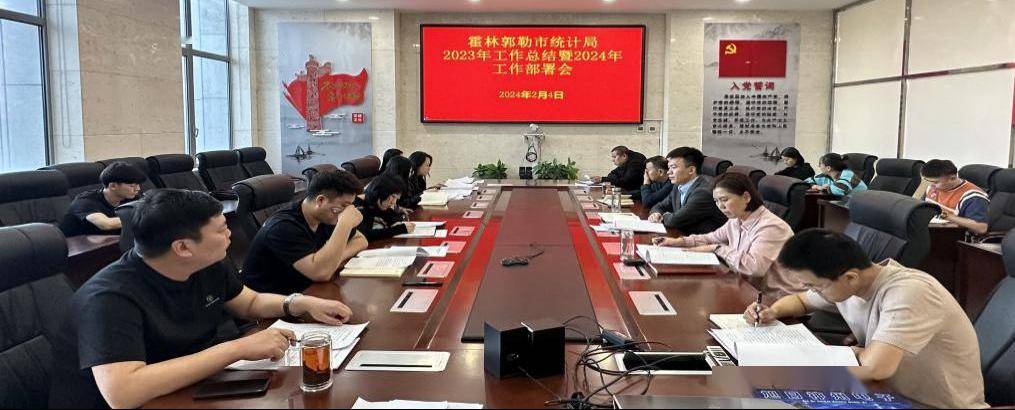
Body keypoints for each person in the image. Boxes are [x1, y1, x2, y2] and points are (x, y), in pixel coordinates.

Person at [48, 189, 354, 409]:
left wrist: (298, 303)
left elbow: (248, 303)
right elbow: (122, 393)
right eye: (221, 230)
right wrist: (237, 349)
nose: (230, 235)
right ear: (182, 247)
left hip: (187, 390)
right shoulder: (109, 297)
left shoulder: (206, 263)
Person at [745, 229, 987, 409]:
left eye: (816, 286)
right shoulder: (847, 284)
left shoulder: (910, 292)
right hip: (883, 394)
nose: (814, 292)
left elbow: (875, 368)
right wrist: (772, 311)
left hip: (932, 405)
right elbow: (800, 301)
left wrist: (858, 354)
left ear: (850, 277)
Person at [653, 173, 806, 300]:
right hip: (747, 289)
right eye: (716, 201)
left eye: (724, 200)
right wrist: (677, 242)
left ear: (746, 197)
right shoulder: (737, 219)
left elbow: (754, 268)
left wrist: (717, 249)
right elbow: (710, 238)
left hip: (778, 301)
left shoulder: (771, 226)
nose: (720, 206)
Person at [243, 170, 369, 295]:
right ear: (320, 201)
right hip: (273, 300)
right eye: (344, 206)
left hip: (305, 289)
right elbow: (321, 273)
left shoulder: (325, 215)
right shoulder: (283, 227)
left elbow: (361, 240)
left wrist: (335, 259)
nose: (347, 211)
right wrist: (344, 224)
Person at [647, 147, 726, 234]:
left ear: (691, 170)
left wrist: (663, 216)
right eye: (669, 168)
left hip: (705, 240)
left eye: (673, 167)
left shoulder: (703, 192)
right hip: (684, 235)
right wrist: (656, 213)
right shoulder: (679, 185)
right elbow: (660, 206)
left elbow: (674, 220)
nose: (669, 172)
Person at [58, 162, 147, 237]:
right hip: (77, 247)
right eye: (132, 186)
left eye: (138, 185)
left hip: (109, 242)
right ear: (113, 186)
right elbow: (106, 224)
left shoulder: (131, 197)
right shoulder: (85, 201)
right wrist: (145, 219)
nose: (138, 189)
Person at [921, 159, 989, 235]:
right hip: (930, 231)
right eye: (928, 181)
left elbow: (981, 228)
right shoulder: (931, 187)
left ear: (952, 178)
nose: (931, 185)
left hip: (952, 237)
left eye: (936, 182)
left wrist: (944, 215)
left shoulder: (973, 197)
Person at [355, 174, 415, 241]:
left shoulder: (378, 202)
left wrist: (396, 223)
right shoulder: (357, 206)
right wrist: (398, 229)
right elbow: (364, 235)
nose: (394, 202)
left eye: (396, 198)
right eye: (393, 196)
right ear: (382, 192)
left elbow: (392, 217)